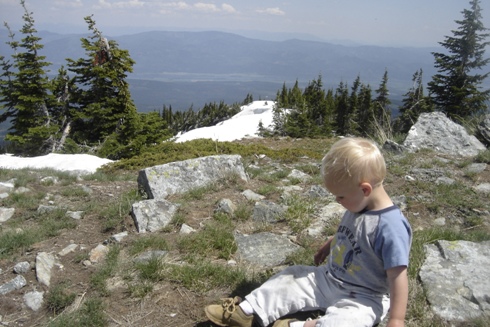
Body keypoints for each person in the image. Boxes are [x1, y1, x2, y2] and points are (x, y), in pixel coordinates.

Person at [204, 137, 412, 327]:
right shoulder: (358, 204)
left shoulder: (391, 227)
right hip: (328, 278)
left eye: (340, 197)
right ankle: (249, 311)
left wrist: (396, 319)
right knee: (291, 276)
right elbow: (351, 233)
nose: (337, 202)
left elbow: (398, 276)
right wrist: (331, 244)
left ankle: (302, 325)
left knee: (347, 322)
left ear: (364, 190)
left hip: (364, 297)